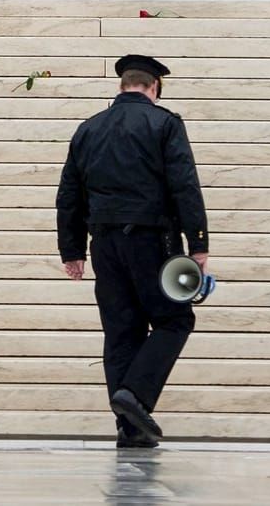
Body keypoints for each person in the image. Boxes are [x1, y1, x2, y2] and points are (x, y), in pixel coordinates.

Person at [56, 55, 210, 449]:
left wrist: (72, 250)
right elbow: (184, 184)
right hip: (151, 238)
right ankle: (136, 397)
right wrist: (198, 243)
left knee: (121, 331)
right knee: (175, 320)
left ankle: (130, 430)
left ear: (123, 85)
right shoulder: (165, 123)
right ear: (154, 87)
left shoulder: (88, 129)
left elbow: (69, 195)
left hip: (104, 243)